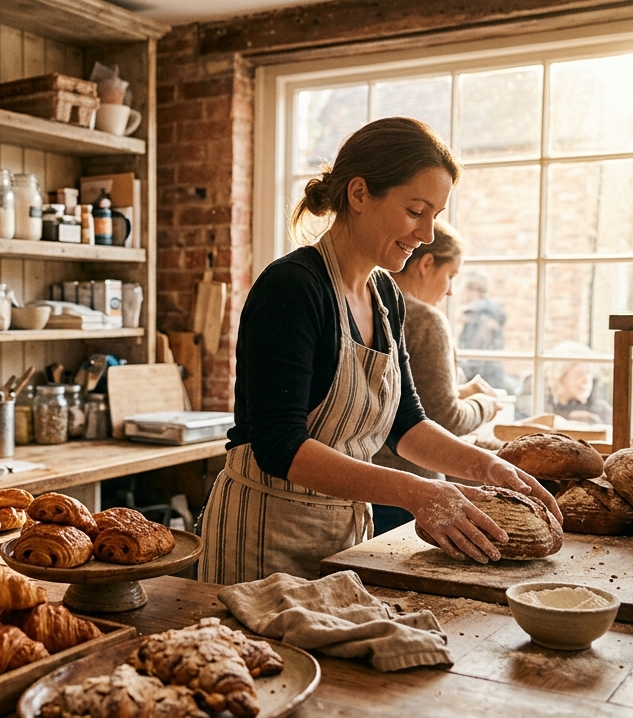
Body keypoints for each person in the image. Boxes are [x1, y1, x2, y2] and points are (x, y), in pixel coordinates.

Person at [198, 117, 561, 585]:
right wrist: (416, 492)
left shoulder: (386, 296)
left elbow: (405, 423)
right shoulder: (292, 287)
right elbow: (279, 446)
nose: (427, 234)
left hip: (344, 535)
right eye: (415, 211)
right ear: (359, 193)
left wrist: (487, 467)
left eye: (435, 215)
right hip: (263, 538)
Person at [371, 221, 502, 533]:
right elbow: (445, 418)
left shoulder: (368, 304)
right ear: (426, 263)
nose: (451, 290)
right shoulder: (426, 320)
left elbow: (397, 397)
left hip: (364, 485)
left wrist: (459, 391)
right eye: (451, 276)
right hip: (411, 490)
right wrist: (486, 403)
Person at [516, 342, 611, 424]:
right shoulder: (534, 403)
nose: (586, 381)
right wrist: (568, 417)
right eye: (579, 374)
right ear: (561, 376)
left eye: (589, 373)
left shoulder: (601, 410)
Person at [456, 273, 517, 393]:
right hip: (493, 373)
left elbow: (475, 353)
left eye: (464, 290)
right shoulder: (492, 312)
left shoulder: (476, 314)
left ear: (473, 291)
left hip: (481, 377)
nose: (462, 294)